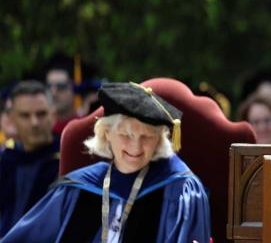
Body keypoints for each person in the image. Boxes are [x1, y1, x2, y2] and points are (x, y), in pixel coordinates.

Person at [3, 82, 211, 242]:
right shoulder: (79, 188)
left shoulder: (179, 190)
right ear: (107, 134)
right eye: (125, 135)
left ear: (159, 141)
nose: (135, 147)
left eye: (147, 137)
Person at [0, 81, 60, 237]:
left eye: (41, 114)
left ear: (53, 115)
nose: (34, 123)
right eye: (25, 115)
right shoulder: (6, 160)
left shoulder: (67, 160)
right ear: (12, 119)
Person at [46, 66, 80, 135]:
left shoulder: (86, 128)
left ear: (73, 89)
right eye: (49, 86)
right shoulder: (40, 130)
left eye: (61, 86)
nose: (53, 93)